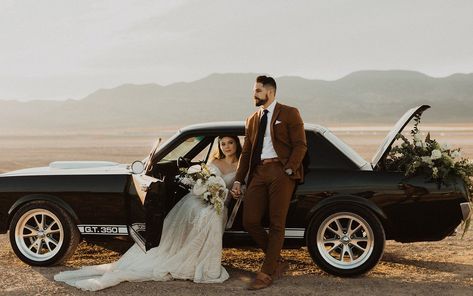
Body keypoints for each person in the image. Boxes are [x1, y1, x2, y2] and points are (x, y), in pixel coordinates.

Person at [54, 136, 242, 291]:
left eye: (230, 143)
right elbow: (203, 179)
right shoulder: (214, 161)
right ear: (219, 146)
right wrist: (204, 188)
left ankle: (205, 264)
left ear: (237, 144)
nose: (227, 147)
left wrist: (227, 193)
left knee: (210, 217)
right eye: (223, 143)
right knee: (196, 212)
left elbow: (242, 186)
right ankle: (185, 254)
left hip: (220, 202)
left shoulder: (242, 165)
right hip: (201, 199)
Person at [231, 75, 307, 290]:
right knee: (250, 221)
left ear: (270, 92)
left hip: (281, 172)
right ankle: (277, 261)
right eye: (253, 91)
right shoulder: (252, 119)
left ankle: (266, 273)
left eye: (257, 90)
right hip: (259, 172)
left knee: (276, 223)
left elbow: (300, 145)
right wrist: (239, 180)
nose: (253, 94)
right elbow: (246, 153)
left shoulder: (289, 113)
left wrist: (289, 169)